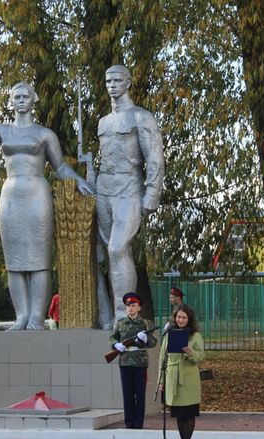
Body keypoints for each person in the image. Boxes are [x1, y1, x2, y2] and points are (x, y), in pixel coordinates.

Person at [0, 77, 94, 330]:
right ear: (11, 102)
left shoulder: (44, 134)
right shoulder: (4, 131)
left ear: (34, 101)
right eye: (16, 97)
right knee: (15, 261)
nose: (21, 101)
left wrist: (78, 181)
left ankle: (36, 317)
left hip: (36, 195)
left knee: (39, 259)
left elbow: (60, 167)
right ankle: (21, 316)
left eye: (25, 96)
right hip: (11, 196)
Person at [95, 64, 165, 328]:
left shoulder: (141, 117)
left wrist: (152, 194)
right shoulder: (103, 122)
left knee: (118, 248)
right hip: (104, 188)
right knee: (108, 253)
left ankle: (125, 314)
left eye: (117, 80)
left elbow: (155, 157)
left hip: (129, 187)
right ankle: (115, 315)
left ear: (128, 82)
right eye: (108, 80)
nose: (112, 85)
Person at [157, 304, 205, 439]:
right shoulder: (169, 333)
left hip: (189, 377)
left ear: (189, 319)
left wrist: (191, 353)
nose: (181, 320)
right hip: (172, 376)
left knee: (188, 413)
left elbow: (201, 356)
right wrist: (161, 380)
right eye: (178, 317)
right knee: (178, 413)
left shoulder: (195, 336)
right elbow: (162, 358)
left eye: (184, 317)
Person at [109, 292, 157, 429]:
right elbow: (113, 338)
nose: (130, 308)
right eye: (128, 306)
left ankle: (138, 423)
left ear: (139, 308)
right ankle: (129, 422)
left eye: (133, 305)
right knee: (127, 394)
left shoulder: (146, 323)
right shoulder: (120, 323)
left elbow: (153, 342)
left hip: (140, 362)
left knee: (140, 394)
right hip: (125, 362)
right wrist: (116, 345)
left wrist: (145, 339)